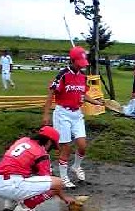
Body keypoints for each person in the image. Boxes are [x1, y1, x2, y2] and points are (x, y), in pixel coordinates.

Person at [42, 46, 104, 188]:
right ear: (72, 60)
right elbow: (51, 93)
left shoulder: (83, 77)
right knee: (66, 147)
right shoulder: (62, 75)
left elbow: (83, 94)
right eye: (79, 62)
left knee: (82, 145)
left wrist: (97, 102)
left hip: (77, 113)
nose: (81, 66)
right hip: (62, 113)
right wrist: (45, 114)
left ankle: (76, 166)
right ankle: (63, 177)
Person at [0, 126, 75, 211]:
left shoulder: (23, 140)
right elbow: (52, 182)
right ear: (49, 142)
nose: (50, 149)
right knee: (58, 183)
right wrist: (64, 198)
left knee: (25, 178)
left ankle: (10, 204)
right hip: (12, 185)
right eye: (52, 146)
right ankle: (27, 207)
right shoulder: (41, 153)